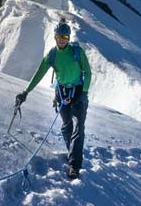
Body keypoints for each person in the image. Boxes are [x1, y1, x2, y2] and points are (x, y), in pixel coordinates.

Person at [15, 21, 91, 179]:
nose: (62, 39)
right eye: (59, 36)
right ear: (55, 37)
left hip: (78, 91)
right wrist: (26, 92)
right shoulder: (52, 55)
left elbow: (88, 72)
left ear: (68, 37)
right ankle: (72, 152)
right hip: (62, 92)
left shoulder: (77, 52)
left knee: (79, 127)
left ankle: (74, 165)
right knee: (66, 126)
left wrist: (83, 93)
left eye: (64, 36)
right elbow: (39, 73)